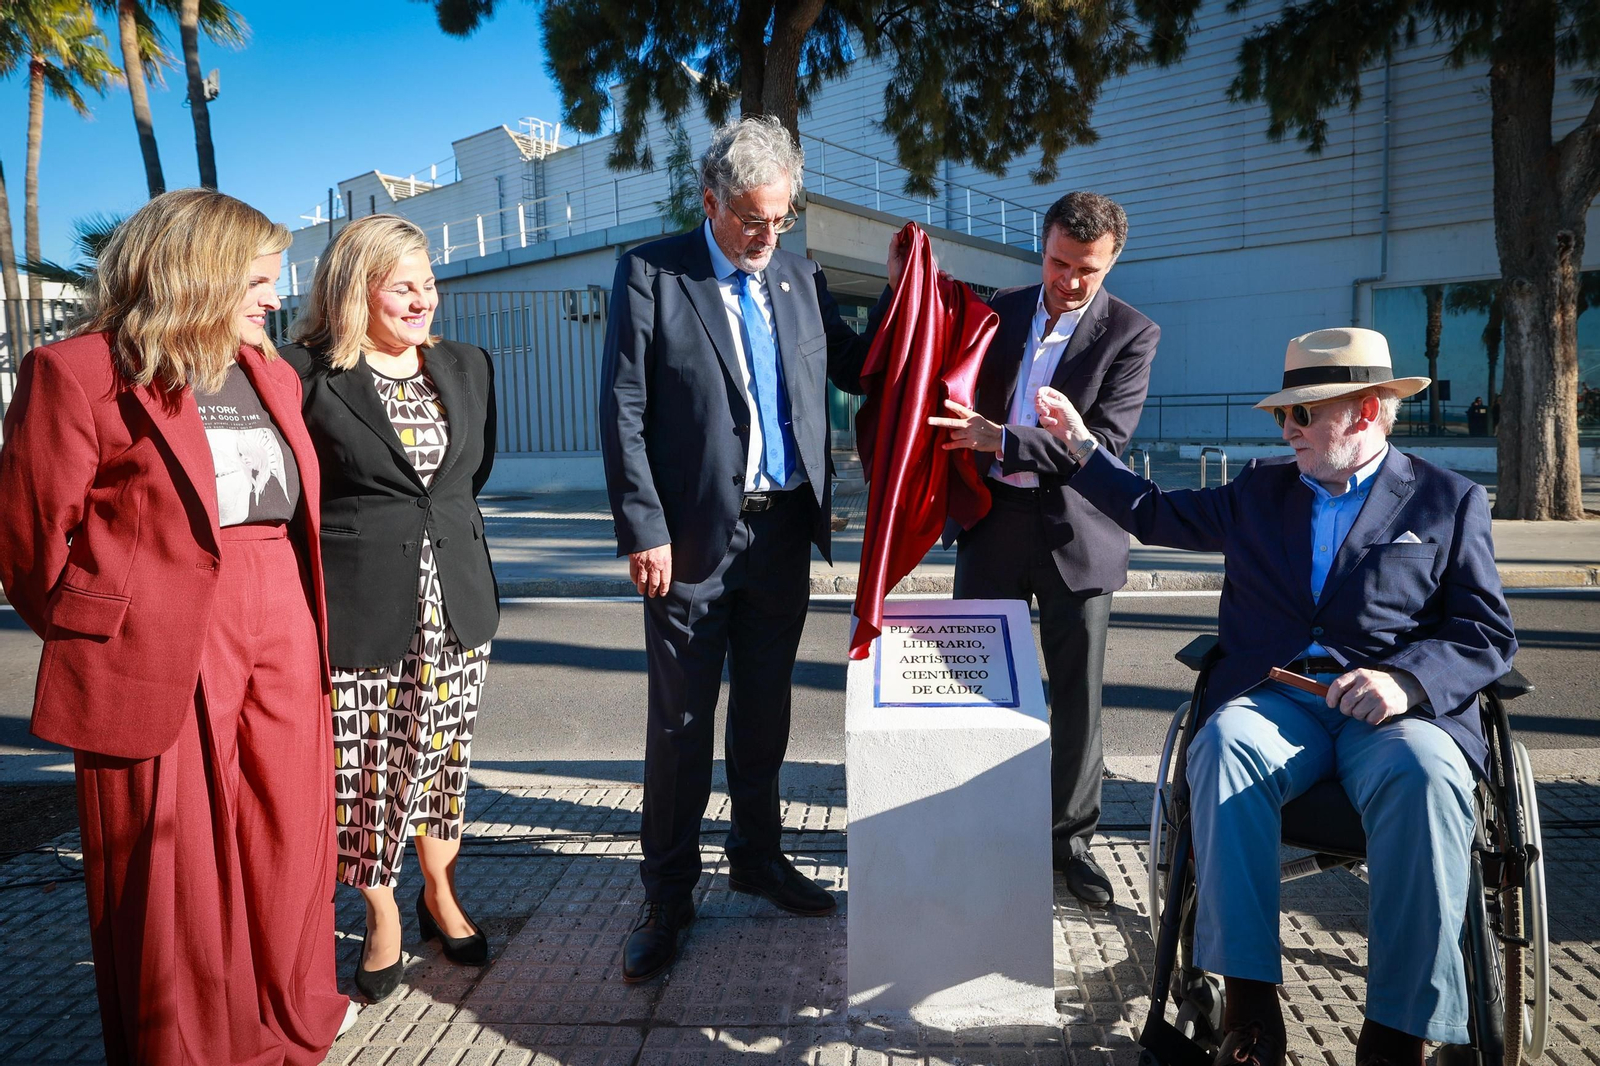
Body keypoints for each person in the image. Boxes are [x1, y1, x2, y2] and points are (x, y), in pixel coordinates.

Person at [1033, 326, 1517, 1066]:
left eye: (1301, 414)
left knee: (1428, 778)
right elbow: (1154, 512)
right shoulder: (1261, 490)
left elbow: (1485, 633)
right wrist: (1081, 452)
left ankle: (1397, 1033)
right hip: (1279, 698)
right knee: (1221, 746)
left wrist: (1407, 680)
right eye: (1281, 415)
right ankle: (1252, 1012)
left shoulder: (1446, 502)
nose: (1285, 428)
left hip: (1391, 714)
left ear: (1362, 411)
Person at [0, 189, 350, 1064]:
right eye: (259, 280)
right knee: (175, 865)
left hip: (284, 616)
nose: (275, 296)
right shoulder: (77, 371)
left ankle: (285, 1019)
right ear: (201, 273)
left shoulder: (268, 370)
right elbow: (30, 542)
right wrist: (111, 634)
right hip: (159, 637)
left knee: (286, 831)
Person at [599, 115, 900, 982]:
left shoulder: (801, 277)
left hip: (781, 533)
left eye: (782, 219)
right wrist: (643, 526)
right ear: (710, 203)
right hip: (690, 538)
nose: (769, 236)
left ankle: (759, 860)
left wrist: (904, 296)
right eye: (752, 220)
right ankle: (668, 893)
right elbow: (622, 407)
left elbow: (860, 367)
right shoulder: (653, 272)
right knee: (682, 723)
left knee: (765, 714)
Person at [280, 214, 499, 1002]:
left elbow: (464, 483)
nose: (423, 301)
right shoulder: (304, 374)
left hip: (458, 604)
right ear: (354, 289)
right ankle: (381, 914)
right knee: (364, 771)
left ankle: (440, 894)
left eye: (429, 284)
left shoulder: (467, 366)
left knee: (444, 762)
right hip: (363, 606)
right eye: (403, 286)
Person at [927, 190, 1158, 906]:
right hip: (993, 521)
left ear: (1113, 258)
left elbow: (1106, 445)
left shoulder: (1132, 333)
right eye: (1059, 263)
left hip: (1078, 533)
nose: (1070, 281)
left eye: (1087, 269)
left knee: (1076, 700)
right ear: (1043, 246)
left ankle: (1070, 844)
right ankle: (984, 826)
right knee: (978, 686)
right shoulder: (1000, 307)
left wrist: (1002, 438)